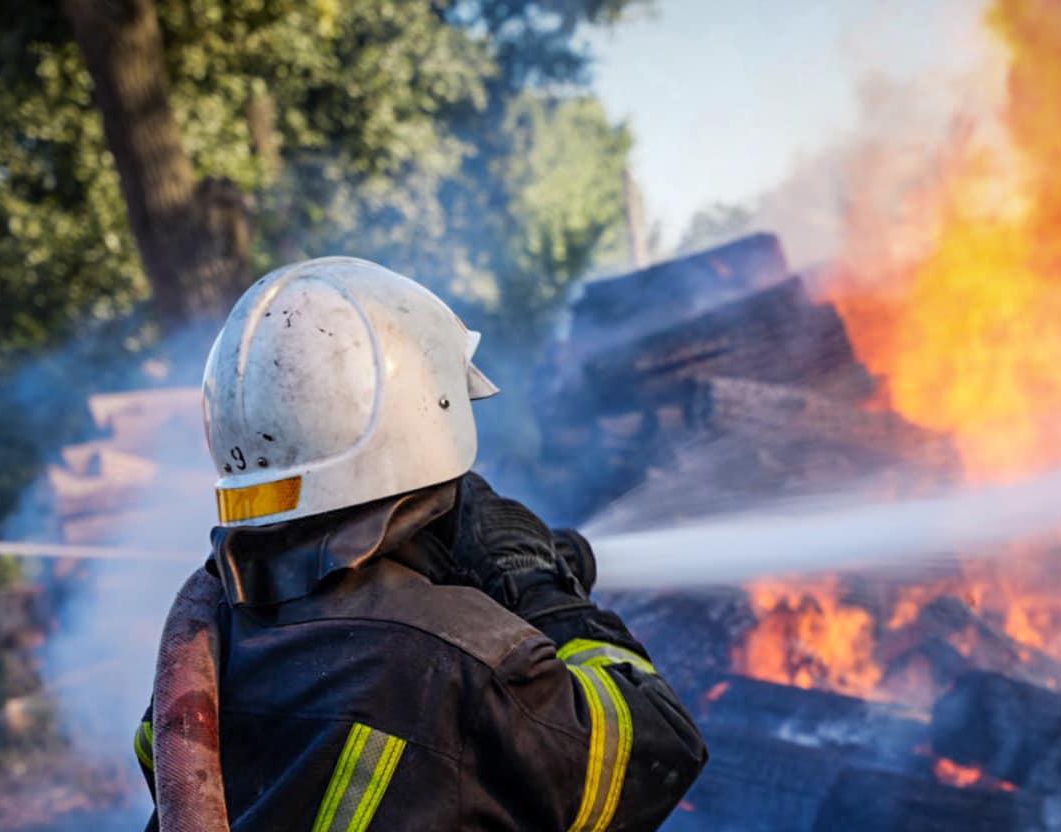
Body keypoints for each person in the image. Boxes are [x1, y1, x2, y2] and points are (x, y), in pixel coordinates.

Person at [133, 257, 707, 831]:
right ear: (429, 417)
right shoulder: (464, 660)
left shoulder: (215, 635)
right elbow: (662, 747)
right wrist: (541, 591)